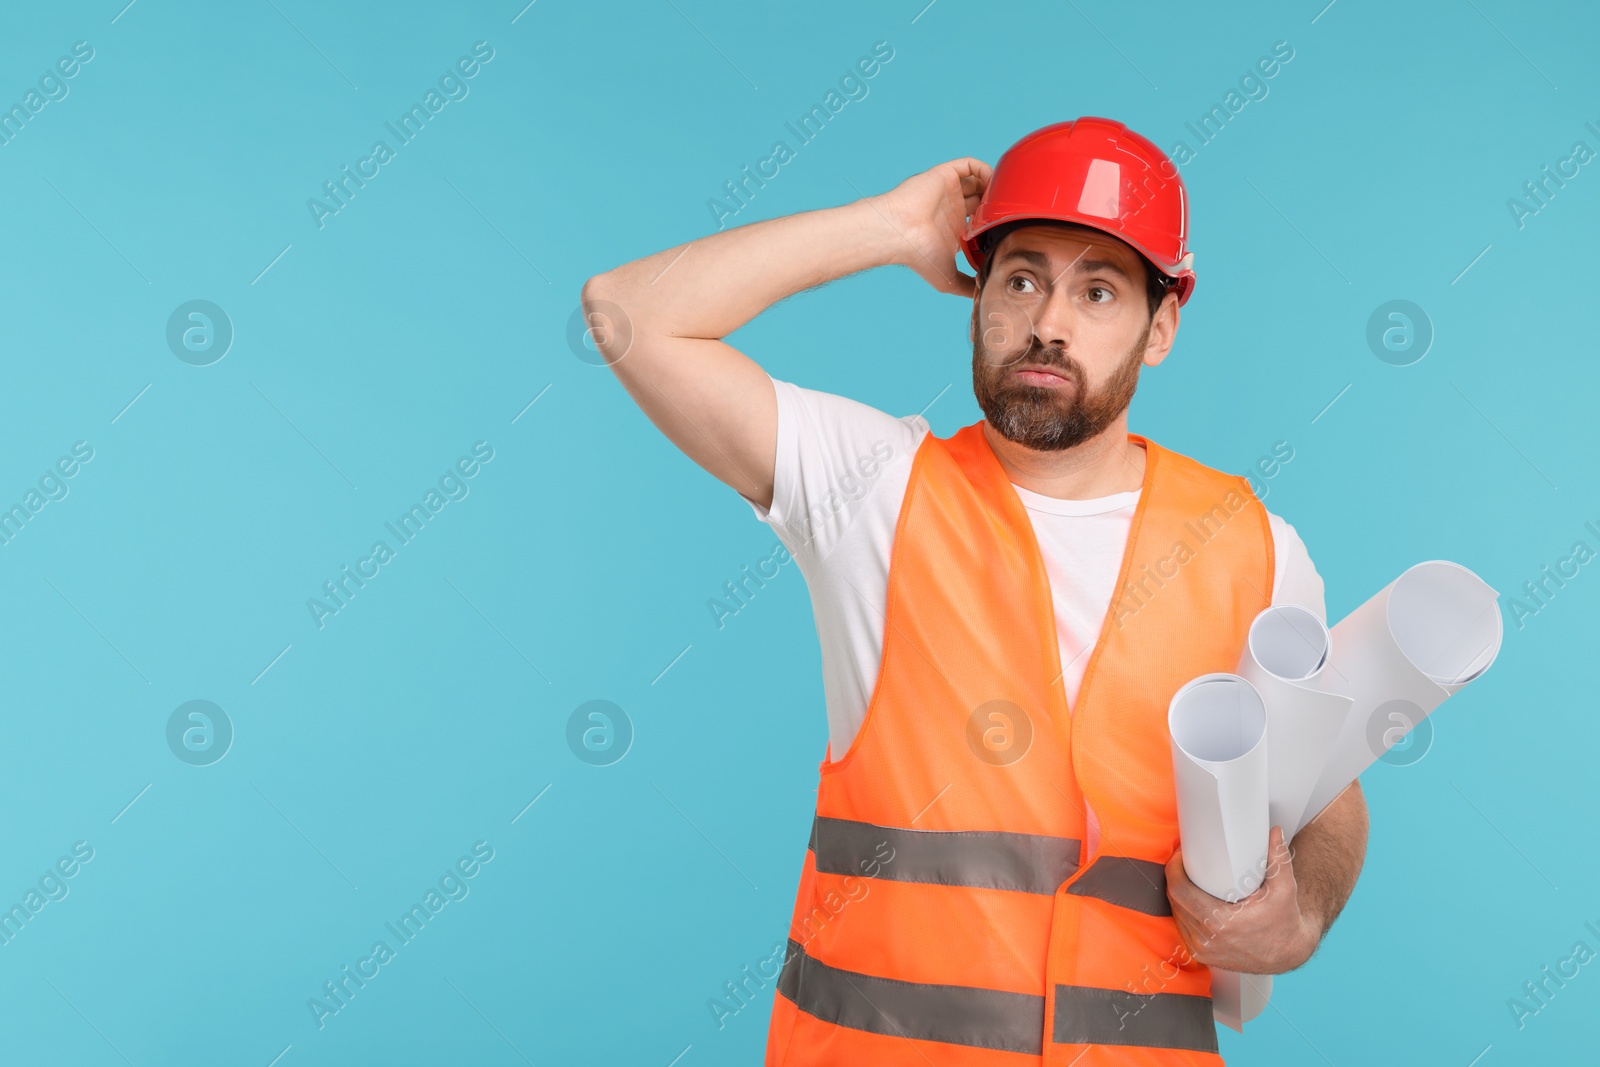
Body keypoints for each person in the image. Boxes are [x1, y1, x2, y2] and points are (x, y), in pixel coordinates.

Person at [583, 117, 1368, 1065]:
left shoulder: (1254, 547)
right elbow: (627, 312)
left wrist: (1301, 917)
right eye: (1022, 278)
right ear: (976, 296)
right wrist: (890, 227)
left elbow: (1330, 796)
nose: (1049, 322)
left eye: (1100, 290)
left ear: (1161, 327)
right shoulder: (870, 487)